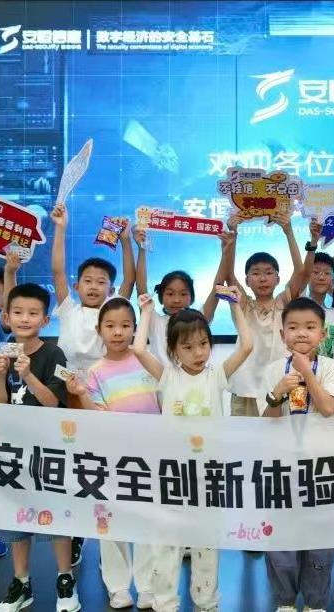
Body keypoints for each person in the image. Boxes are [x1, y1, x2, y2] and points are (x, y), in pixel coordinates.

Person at [131, 285, 253, 611]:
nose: (198, 353)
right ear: (173, 350)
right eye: (188, 347)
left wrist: (235, 306)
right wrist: (145, 312)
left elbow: (247, 345)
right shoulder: (167, 376)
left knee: (206, 541)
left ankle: (206, 600)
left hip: (209, 473)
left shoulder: (217, 375)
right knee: (166, 541)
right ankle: (165, 602)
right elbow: (139, 349)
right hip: (171, 473)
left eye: (203, 344)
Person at [0, 283, 76, 612]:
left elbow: (54, 403)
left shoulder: (54, 354)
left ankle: (65, 579)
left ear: (45, 319)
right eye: (18, 313)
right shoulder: (1, 355)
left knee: (57, 516)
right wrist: (0, 376)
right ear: (7, 317)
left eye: (33, 313)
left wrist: (28, 376)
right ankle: (21, 582)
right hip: (12, 450)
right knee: (16, 516)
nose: (25, 319)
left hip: (48, 449)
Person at [66, 296, 157, 609]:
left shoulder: (147, 360)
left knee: (147, 521)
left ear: (135, 328)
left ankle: (148, 585)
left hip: (150, 457)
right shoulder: (95, 372)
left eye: (125, 325)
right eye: (110, 326)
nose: (118, 332)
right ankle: (118, 587)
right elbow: (95, 416)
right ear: (99, 330)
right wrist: (81, 394)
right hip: (112, 458)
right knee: (110, 520)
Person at [260, 297, 334, 612]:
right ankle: (284, 601)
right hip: (282, 468)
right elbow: (265, 421)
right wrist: (277, 392)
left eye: (310, 327)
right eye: (293, 327)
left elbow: (328, 408)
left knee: (320, 542)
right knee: (281, 541)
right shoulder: (273, 370)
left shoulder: (330, 367)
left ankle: (315, 602)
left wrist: (307, 374)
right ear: (282, 334)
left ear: (322, 334)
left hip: (322, 468)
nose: (301, 333)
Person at [213, 215, 316, 416]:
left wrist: (289, 231)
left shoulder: (284, 303)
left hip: (280, 386)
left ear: (278, 278)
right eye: (256, 273)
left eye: (269, 273)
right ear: (247, 280)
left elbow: (301, 273)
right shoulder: (243, 303)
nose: (262, 278)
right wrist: (233, 235)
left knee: (280, 435)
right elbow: (228, 275)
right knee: (244, 436)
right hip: (244, 389)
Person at [50, 202, 134, 373]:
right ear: (76, 286)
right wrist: (60, 227)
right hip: (67, 379)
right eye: (88, 281)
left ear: (111, 291)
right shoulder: (68, 309)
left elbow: (129, 280)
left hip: (104, 378)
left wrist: (126, 240)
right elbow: (58, 271)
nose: (94, 287)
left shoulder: (114, 311)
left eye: (101, 282)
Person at [134, 226, 219, 362]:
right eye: (170, 294)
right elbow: (141, 289)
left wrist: (228, 248)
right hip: (160, 376)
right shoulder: (155, 322)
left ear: (191, 298)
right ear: (160, 297)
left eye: (183, 294)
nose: (177, 300)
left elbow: (217, 288)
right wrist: (142, 249)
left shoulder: (199, 320)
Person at [307, 252, 334, 357]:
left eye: (327, 273)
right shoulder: (297, 307)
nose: (321, 277)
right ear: (306, 276)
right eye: (315, 272)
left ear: (333, 281)